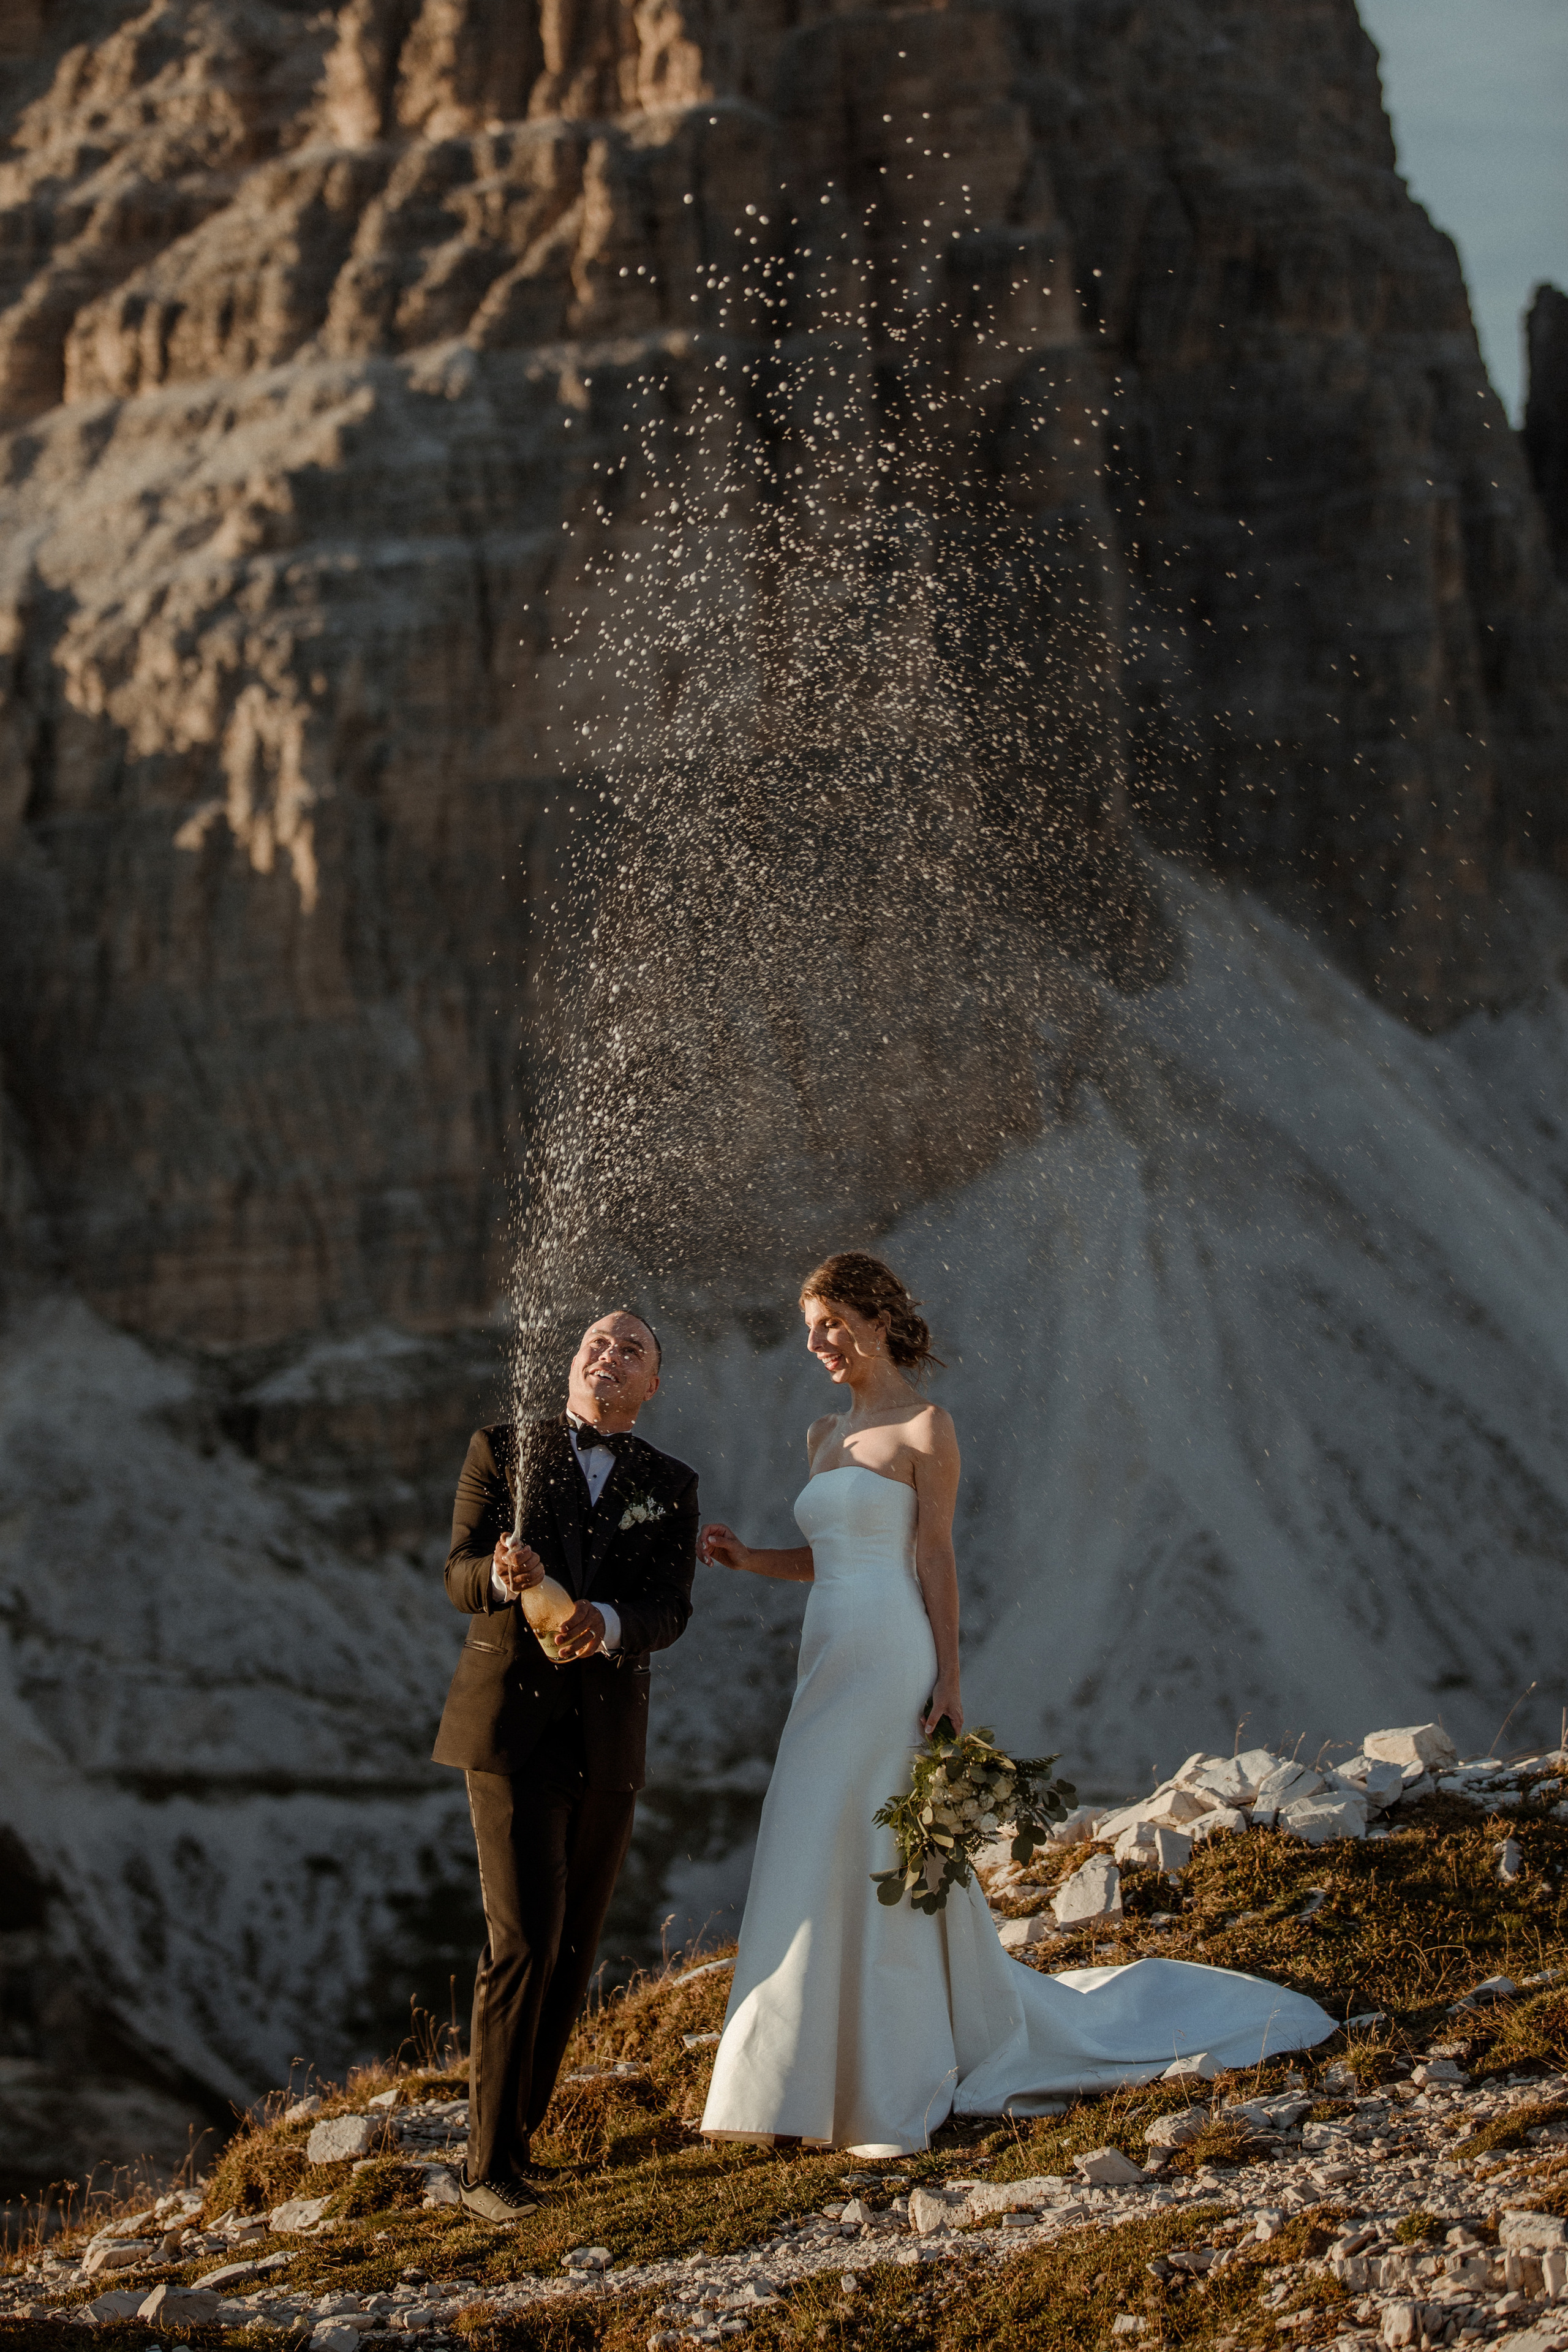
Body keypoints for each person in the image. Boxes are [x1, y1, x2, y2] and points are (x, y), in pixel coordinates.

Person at [697, 1251, 1333, 2157]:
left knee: (878, 1837)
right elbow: (826, 1559)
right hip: (824, 1662)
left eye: (832, 1323)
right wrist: (746, 1558)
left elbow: (934, 1557)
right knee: (810, 1833)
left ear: (878, 1320)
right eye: (810, 1329)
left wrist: (950, 1680)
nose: (817, 1343)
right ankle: (792, 2078)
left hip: (892, 1656)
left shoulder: (927, 1426)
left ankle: (888, 2072)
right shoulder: (822, 1434)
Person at [432, 1310, 698, 2218]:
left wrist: (610, 1623)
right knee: (523, 1942)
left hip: (608, 1741)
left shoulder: (670, 1482)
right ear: (573, 1362)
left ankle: (518, 2143)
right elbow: (457, 1572)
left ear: (651, 1384)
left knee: (575, 1947)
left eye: (632, 1349)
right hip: (510, 1732)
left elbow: (670, 1609)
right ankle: (485, 2173)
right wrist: (500, 1577)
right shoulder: (501, 1448)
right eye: (596, 1343)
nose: (608, 1355)